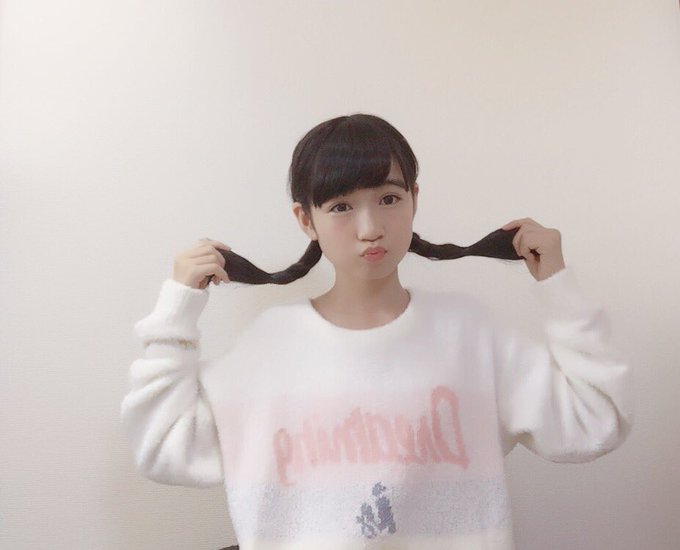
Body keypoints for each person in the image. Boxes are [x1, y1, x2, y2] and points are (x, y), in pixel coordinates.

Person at [120, 114, 634, 550]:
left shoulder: (469, 335)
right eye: (341, 207)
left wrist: (557, 286)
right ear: (306, 219)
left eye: (388, 198)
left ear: (414, 198)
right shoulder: (268, 347)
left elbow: (595, 421)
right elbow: (164, 448)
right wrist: (177, 309)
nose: (370, 228)